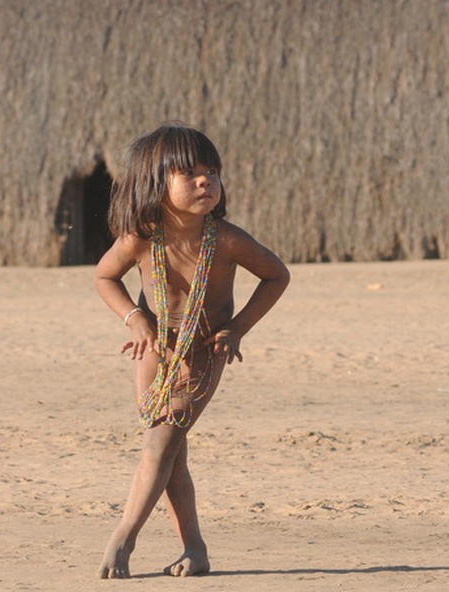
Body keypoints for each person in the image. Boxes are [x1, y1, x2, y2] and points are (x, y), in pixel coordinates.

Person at [94, 124, 290, 578]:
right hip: (154, 348)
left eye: (212, 172)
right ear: (155, 184)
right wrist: (134, 318)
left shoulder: (226, 239)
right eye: (190, 174)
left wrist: (238, 328)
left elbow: (276, 275)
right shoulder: (142, 238)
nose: (206, 181)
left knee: (162, 441)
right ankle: (195, 550)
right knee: (170, 452)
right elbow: (105, 277)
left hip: (203, 349)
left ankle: (123, 537)